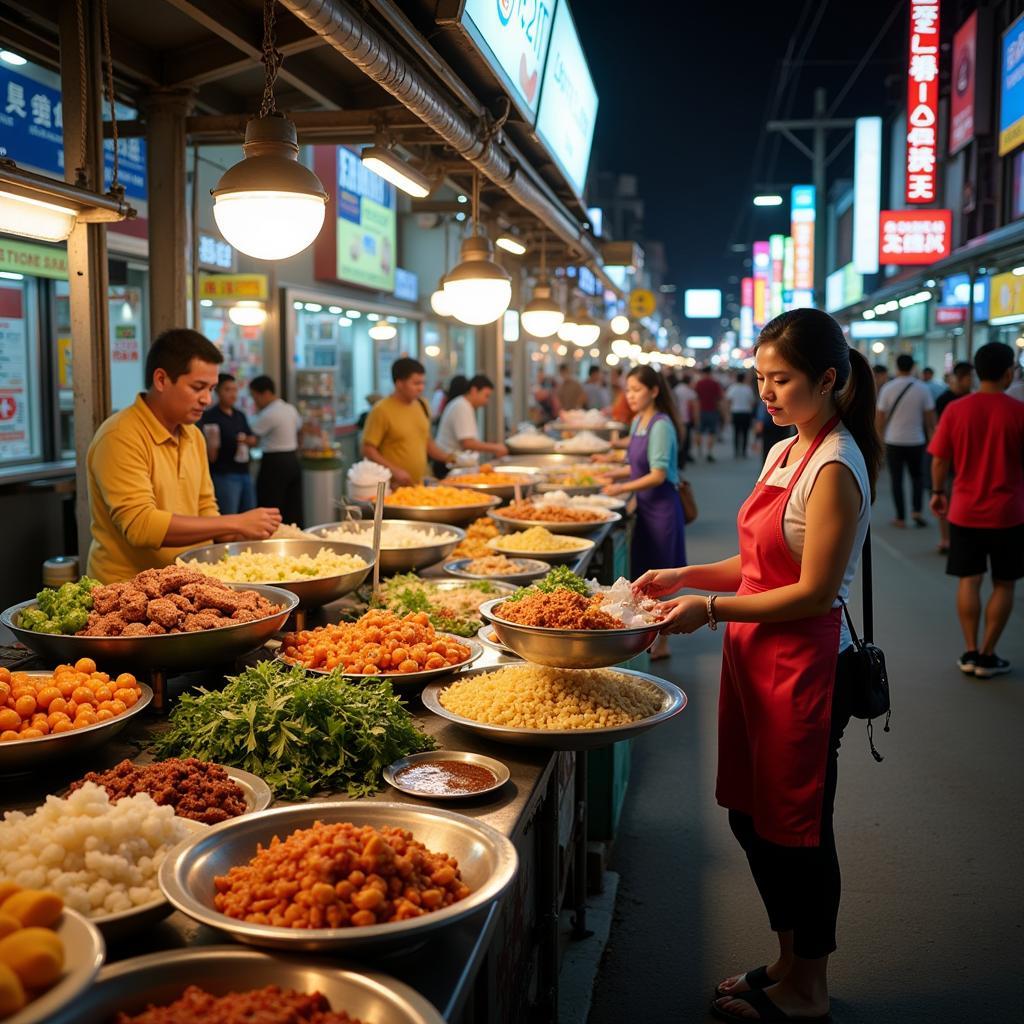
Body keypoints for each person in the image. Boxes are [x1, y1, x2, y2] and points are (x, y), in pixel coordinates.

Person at [635, 308, 880, 1024]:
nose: (765, 393)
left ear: (829, 380)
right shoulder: (786, 450)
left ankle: (809, 989)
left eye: (781, 380)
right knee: (750, 816)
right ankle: (785, 961)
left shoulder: (835, 466)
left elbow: (809, 589)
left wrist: (709, 612)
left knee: (798, 829)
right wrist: (686, 576)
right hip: (755, 659)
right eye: (759, 378)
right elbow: (757, 561)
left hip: (804, 671)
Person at [85, 329, 281, 583]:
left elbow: (205, 510)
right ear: (161, 380)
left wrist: (248, 534)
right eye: (197, 387)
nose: (207, 399)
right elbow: (141, 526)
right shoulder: (120, 435)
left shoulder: (193, 436)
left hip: (184, 584)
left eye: (211, 388)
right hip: (124, 592)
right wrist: (235, 523)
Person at [929, 342, 1024, 679]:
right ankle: (988, 654)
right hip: (1009, 513)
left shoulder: (956, 410)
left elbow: (940, 459)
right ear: (1009, 372)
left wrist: (939, 492)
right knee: (1004, 583)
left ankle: (969, 651)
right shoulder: (1018, 412)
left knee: (969, 580)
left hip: (964, 510)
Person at [602, 365, 686, 660]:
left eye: (637, 390)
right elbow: (636, 464)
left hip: (662, 509)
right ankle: (648, 632)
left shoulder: (661, 424)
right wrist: (613, 473)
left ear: (654, 391)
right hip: (644, 508)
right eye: (628, 390)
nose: (631, 396)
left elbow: (657, 474)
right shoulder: (639, 420)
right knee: (644, 576)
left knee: (662, 578)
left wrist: (619, 488)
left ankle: (663, 641)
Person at [361, 358, 452, 486]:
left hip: (422, 482)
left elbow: (426, 442)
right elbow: (368, 449)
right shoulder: (381, 410)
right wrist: (394, 470)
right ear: (399, 383)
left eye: (423, 383)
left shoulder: (422, 404)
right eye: (416, 383)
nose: (421, 388)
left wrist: (451, 458)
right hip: (394, 486)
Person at [876, 354, 935, 528]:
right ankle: (916, 511)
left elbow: (880, 418)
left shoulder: (888, 388)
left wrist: (879, 439)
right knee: (917, 478)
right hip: (917, 440)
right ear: (913, 367)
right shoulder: (923, 388)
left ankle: (900, 517)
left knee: (897, 479)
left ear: (897, 367)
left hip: (893, 440)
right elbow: (930, 419)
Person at [249, 375, 305, 528]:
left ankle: (272, 541)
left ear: (265, 393)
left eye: (255, 397)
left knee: (271, 507)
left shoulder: (268, 414)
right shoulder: (289, 408)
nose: (255, 402)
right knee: (293, 507)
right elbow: (300, 430)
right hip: (293, 460)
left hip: (274, 463)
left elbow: (252, 437)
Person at [200, 373, 258, 515]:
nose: (232, 394)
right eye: (227, 390)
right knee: (228, 516)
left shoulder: (240, 415)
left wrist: (246, 440)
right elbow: (210, 455)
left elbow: (253, 439)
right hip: (224, 474)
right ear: (217, 391)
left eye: (235, 390)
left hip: (244, 472)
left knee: (250, 515)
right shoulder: (210, 416)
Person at [932, 362, 974, 555]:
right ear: (960, 377)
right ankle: (946, 538)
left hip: (965, 457)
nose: (972, 381)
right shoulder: (944, 400)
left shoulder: (973, 399)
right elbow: (939, 428)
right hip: (949, 456)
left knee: (958, 499)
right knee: (945, 499)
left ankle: (956, 538)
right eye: (969, 377)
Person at [435, 374, 510, 460]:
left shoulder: (464, 405)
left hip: (454, 461)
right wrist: (496, 447)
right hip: (447, 462)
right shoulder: (462, 406)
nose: (486, 401)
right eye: (486, 396)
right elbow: (467, 443)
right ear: (474, 390)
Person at [696, 365, 725, 462]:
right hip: (713, 410)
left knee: (699, 431)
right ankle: (709, 452)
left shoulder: (699, 384)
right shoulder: (715, 384)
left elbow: (695, 398)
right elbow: (720, 398)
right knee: (711, 433)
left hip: (701, 411)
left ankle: (699, 451)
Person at [726, 370, 757, 458]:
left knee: (736, 432)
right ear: (743, 379)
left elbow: (728, 401)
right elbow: (752, 402)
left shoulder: (732, 388)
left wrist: (728, 413)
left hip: (735, 412)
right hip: (746, 413)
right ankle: (744, 451)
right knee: (745, 432)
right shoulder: (748, 389)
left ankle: (736, 451)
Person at [673, 372, 700, 467]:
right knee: (686, 440)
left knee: (679, 439)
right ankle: (683, 459)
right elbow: (694, 406)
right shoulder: (689, 391)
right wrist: (696, 420)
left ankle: (678, 458)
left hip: (676, 417)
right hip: (686, 418)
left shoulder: (676, 389)